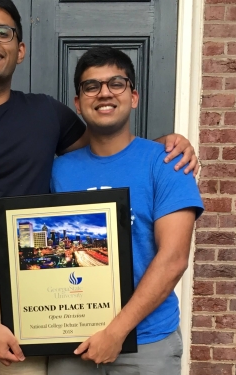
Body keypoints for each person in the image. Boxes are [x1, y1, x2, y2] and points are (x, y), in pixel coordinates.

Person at [0, 1, 199, 374]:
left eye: (4, 32)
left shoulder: (47, 114)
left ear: (20, 49)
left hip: (36, 304)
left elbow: (108, 149)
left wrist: (165, 146)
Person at [47, 47, 204, 375]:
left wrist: (115, 332)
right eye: (91, 86)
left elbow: (174, 258)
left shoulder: (167, 164)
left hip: (147, 343)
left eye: (116, 83)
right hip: (71, 340)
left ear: (133, 97)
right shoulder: (58, 172)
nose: (104, 93)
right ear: (78, 103)